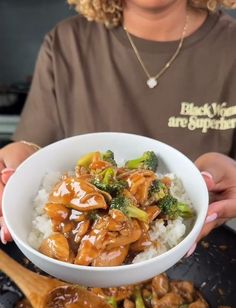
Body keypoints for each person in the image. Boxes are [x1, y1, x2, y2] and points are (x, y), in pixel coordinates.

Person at [0, 0, 236, 246]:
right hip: (79, 264)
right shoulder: (66, 43)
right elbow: (34, 159)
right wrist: (16, 164)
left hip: (208, 248)